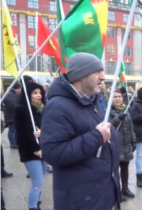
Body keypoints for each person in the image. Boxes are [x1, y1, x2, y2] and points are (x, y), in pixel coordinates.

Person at [40, 53, 121, 210]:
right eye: (97, 71)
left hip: (101, 194)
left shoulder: (94, 102)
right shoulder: (58, 107)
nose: (103, 77)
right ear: (80, 76)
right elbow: (53, 153)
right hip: (81, 200)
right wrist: (97, 136)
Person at [15, 82, 47, 210]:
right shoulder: (21, 109)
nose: (38, 95)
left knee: (41, 181)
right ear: (28, 94)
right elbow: (22, 133)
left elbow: (49, 127)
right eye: (35, 93)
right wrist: (36, 149)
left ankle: (37, 204)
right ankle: (33, 207)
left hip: (43, 149)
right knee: (37, 182)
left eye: (40, 92)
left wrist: (42, 133)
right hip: (30, 151)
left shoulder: (42, 108)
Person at [109, 89, 136, 199]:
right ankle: (116, 191)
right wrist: (117, 119)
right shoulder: (108, 111)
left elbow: (131, 127)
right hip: (115, 145)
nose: (117, 99)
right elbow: (108, 125)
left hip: (126, 144)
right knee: (115, 170)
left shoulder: (126, 110)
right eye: (115, 97)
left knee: (125, 168)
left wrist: (133, 141)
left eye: (119, 96)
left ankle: (125, 188)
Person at [2, 83, 21, 149]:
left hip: (11, 115)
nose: (20, 90)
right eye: (19, 88)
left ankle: (14, 143)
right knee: (12, 130)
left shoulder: (10, 94)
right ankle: (13, 143)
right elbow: (13, 105)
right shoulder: (10, 95)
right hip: (11, 115)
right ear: (17, 88)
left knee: (13, 130)